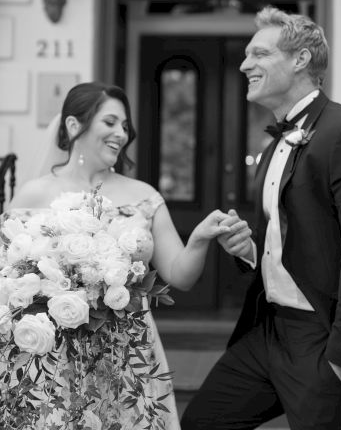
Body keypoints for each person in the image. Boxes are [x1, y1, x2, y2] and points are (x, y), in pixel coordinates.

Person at [181, 6, 341, 430]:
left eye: (259, 54)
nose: (244, 64)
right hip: (269, 331)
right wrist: (250, 250)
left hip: (324, 338)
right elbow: (295, 238)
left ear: (300, 59)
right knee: (203, 420)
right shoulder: (274, 144)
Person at [3, 81, 238, 429]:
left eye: (125, 126)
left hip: (125, 348)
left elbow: (180, 274)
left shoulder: (143, 196)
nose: (121, 134)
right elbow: (9, 283)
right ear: (73, 125)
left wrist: (199, 239)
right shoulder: (33, 194)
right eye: (110, 122)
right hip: (50, 350)